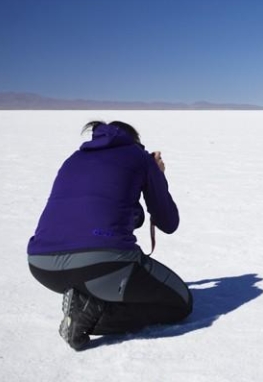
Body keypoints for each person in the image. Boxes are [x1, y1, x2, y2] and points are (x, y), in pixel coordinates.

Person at [27, 120, 192, 351]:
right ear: (135, 141)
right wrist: (157, 174)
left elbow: (106, 211)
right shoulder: (138, 156)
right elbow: (168, 222)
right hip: (101, 264)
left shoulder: (73, 159)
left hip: (42, 265)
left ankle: (86, 303)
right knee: (181, 303)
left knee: (100, 278)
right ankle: (90, 313)